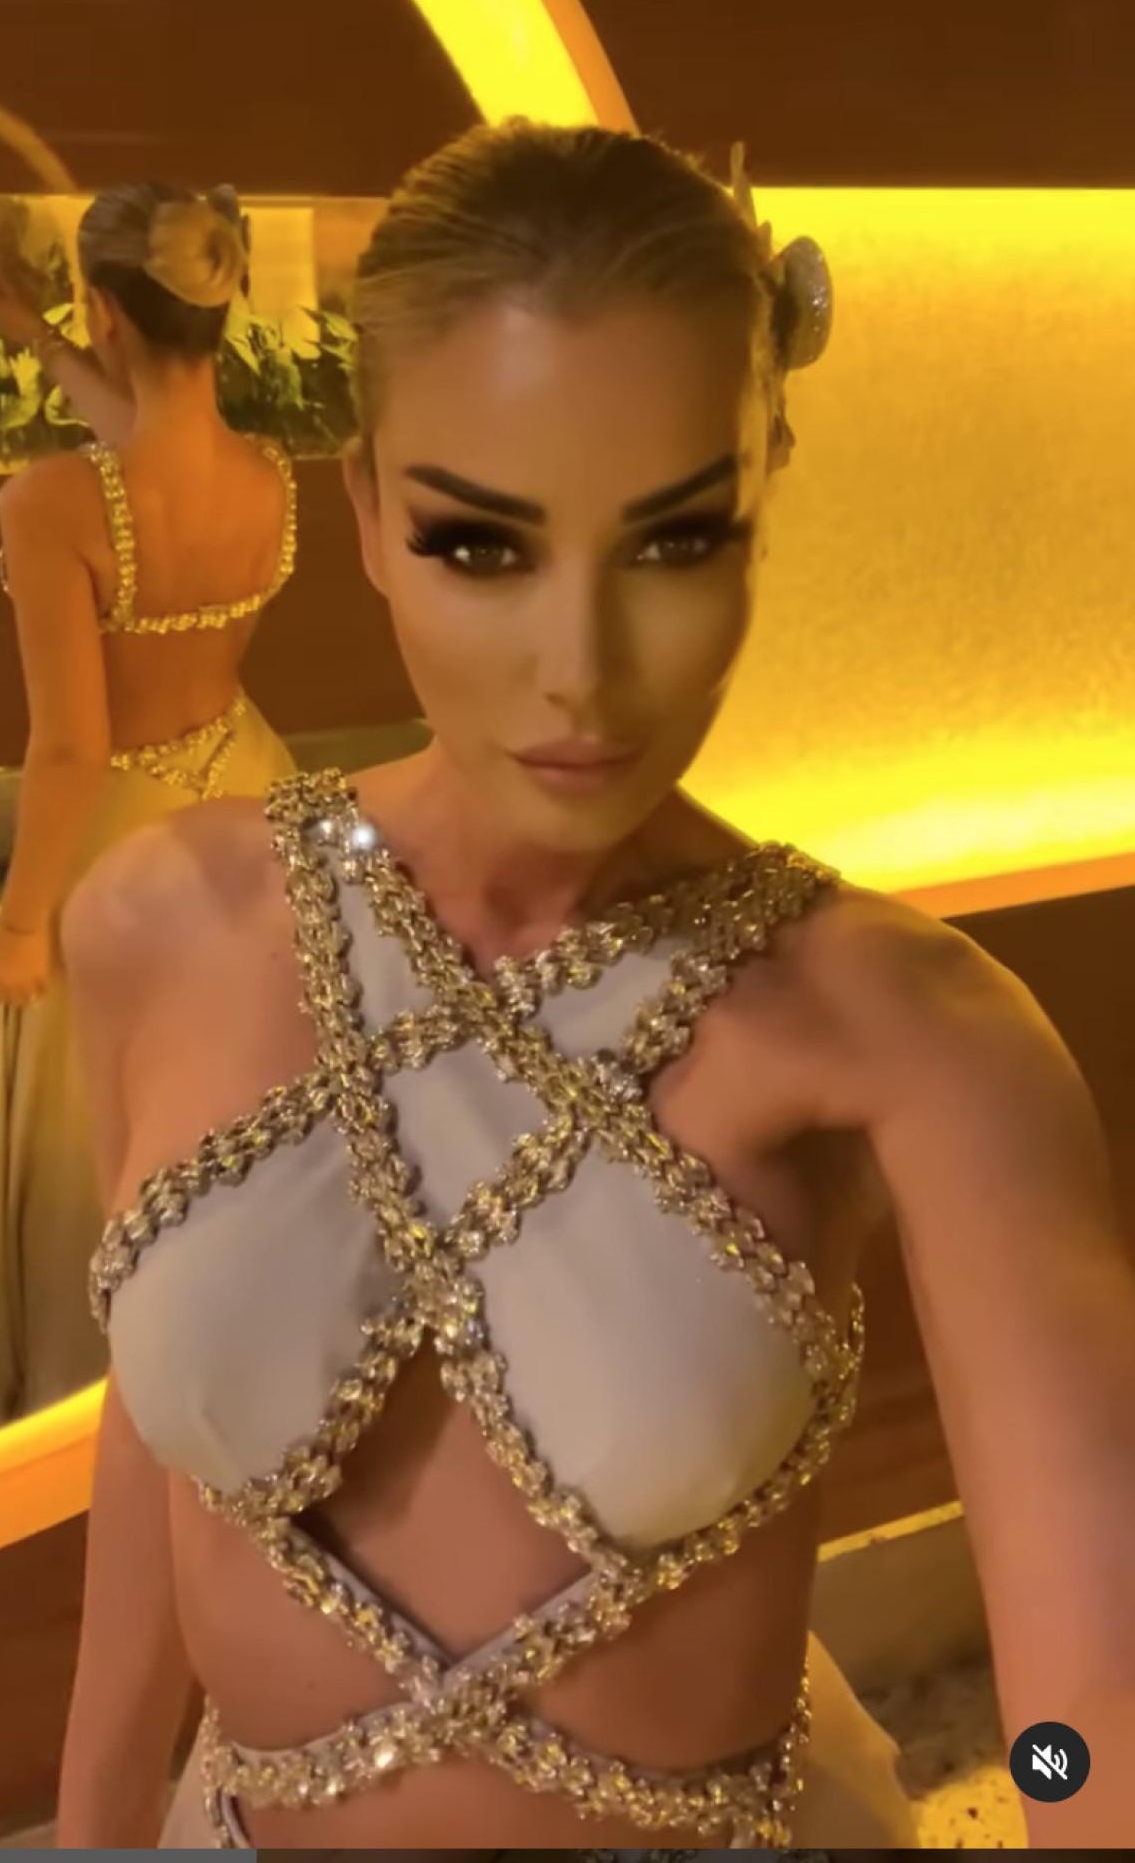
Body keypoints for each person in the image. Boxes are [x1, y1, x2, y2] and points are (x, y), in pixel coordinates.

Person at [58, 125, 1135, 1850]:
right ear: (367, 512)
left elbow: (1093, 1705)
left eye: (676, 541)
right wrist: (96, 1823)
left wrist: (1061, 1792)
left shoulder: (911, 1033)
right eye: (483, 545)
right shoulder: (161, 927)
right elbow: (157, 1440)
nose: (580, 667)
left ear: (765, 499)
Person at [0, 184, 298, 1422]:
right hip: (248, 799)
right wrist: (32, 332)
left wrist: (20, 923)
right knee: (237, 1095)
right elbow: (145, 445)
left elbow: (70, 746)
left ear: (107, 309)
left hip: (117, 837)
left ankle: (91, 1399)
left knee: (96, 1133)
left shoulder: (49, 503)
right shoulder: (267, 475)